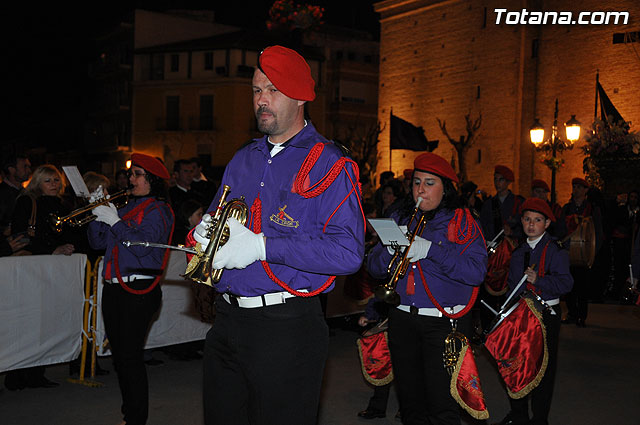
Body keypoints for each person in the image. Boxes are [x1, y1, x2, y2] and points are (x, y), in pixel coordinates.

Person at [188, 45, 364, 425]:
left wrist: (263, 246)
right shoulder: (242, 158)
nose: (261, 101)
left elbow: (348, 252)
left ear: (300, 97)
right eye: (256, 91)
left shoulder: (330, 162)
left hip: (288, 326)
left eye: (272, 90)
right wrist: (203, 235)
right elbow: (221, 223)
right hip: (228, 320)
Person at [366, 152, 487, 425]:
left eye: (430, 183)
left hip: (442, 324)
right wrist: (390, 250)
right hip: (402, 319)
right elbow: (373, 268)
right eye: (417, 182)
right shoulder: (399, 215)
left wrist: (433, 250)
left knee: (442, 405)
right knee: (410, 403)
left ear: (446, 189)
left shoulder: (463, 221)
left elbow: (476, 272)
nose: (420, 189)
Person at [88, 153, 174, 425]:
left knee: (130, 357)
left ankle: (136, 419)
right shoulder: (125, 208)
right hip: (115, 289)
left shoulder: (158, 211)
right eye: (131, 173)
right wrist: (95, 215)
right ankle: (130, 415)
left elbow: (142, 248)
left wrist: (114, 221)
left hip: (138, 290)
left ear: (153, 181)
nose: (131, 179)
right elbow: (97, 242)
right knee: (122, 359)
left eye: (138, 174)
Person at [5, 164, 75, 391]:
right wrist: (51, 250)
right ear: (37, 183)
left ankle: (37, 372)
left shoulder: (63, 205)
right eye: (48, 180)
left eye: (56, 180)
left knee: (45, 323)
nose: (54, 184)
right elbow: (20, 236)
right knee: (25, 322)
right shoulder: (27, 202)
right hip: (30, 271)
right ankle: (16, 375)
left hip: (53, 271)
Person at [561, 177, 603, 327]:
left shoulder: (592, 209)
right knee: (569, 286)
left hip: (585, 255)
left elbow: (598, 233)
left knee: (583, 287)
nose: (576, 189)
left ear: (586, 191)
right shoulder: (566, 208)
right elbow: (561, 230)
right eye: (574, 187)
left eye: (579, 187)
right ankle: (572, 313)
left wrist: (592, 253)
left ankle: (581, 316)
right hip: (568, 253)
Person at [0, 154, 32, 236]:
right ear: (11, 170)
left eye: (29, 167)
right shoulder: (2, 193)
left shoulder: (27, 192)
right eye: (25, 166)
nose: (29, 170)